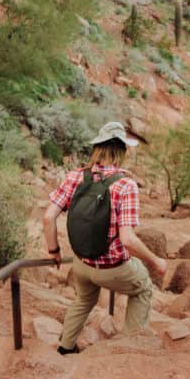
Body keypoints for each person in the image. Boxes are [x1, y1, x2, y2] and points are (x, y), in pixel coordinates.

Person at [42, 122, 168, 355]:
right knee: (142, 289)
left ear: (97, 148)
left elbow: (48, 218)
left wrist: (54, 252)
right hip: (113, 269)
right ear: (122, 151)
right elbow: (127, 240)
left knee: (84, 300)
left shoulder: (75, 176)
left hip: (82, 264)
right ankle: (130, 349)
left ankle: (65, 347)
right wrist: (156, 261)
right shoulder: (125, 185)